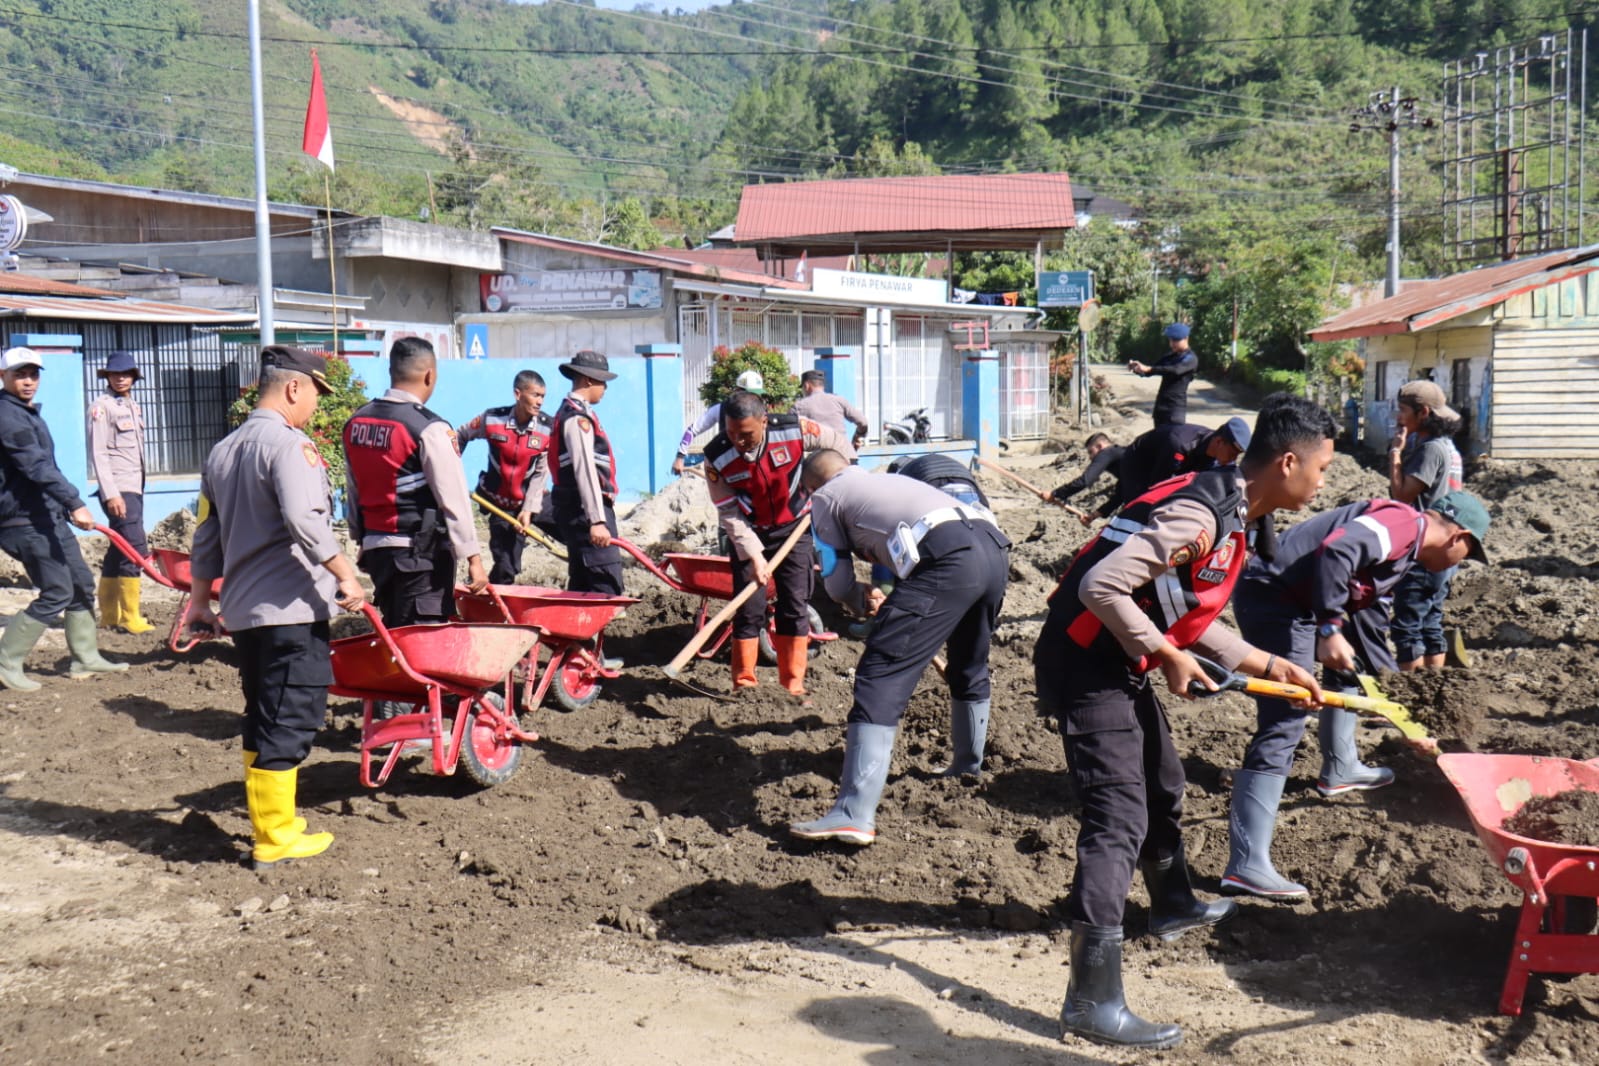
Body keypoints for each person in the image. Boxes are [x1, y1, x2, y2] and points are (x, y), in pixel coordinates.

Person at [1034, 395, 1336, 1050]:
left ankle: (1171, 904)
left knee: (1162, 780)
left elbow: (1180, 606)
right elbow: (1101, 588)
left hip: (1114, 656)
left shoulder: (1229, 509)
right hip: (1084, 660)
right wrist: (1166, 655)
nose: (1322, 484)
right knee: (1117, 816)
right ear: (1287, 463)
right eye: (1321, 469)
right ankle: (1090, 1000)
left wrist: (1266, 662)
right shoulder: (1198, 515)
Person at [1223, 491, 1491, 901]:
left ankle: (1341, 767)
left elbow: (1366, 620)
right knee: (1286, 719)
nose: (1458, 566)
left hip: (1297, 601)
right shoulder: (1405, 525)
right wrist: (1329, 628)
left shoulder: (1404, 553)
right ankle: (1246, 864)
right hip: (1276, 599)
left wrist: (1396, 704)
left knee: (1346, 667)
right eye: (1467, 556)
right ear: (1459, 536)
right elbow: (1337, 550)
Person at [185, 347, 367, 869]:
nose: (314, 405)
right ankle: (276, 835)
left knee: (263, 715)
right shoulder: (291, 448)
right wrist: (345, 574)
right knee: (291, 718)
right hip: (290, 608)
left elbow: (206, 534)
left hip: (245, 612)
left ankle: (273, 822)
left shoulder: (223, 450)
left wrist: (200, 600)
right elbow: (306, 521)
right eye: (314, 393)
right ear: (293, 388)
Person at [790, 450, 1010, 844]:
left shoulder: (825, 497)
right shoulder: (890, 481)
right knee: (968, 664)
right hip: (992, 549)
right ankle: (965, 767)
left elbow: (837, 582)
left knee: (880, 674)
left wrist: (857, 599)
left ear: (811, 485)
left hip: (947, 558)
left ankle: (853, 813)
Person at [703, 390, 851, 695]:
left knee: (795, 606)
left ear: (764, 421)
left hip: (794, 529)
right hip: (749, 532)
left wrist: (840, 483)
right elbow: (728, 511)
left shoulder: (794, 430)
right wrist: (754, 554)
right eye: (731, 432)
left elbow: (837, 443)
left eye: (745, 434)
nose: (737, 441)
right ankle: (743, 684)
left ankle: (792, 684)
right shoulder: (717, 456)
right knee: (749, 608)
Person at [0, 346, 127, 690]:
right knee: (56, 591)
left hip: (46, 515)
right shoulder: (7, 417)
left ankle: (84, 657)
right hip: (23, 521)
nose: (28, 381)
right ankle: (5, 661)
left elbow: (44, 468)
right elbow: (36, 467)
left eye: (34, 374)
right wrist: (74, 502)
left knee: (80, 583)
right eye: (20, 375)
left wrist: (62, 506)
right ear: (3, 377)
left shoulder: (27, 413)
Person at [342, 337, 488, 628]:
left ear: (392, 372)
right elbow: (454, 498)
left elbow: (354, 489)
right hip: (420, 556)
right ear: (429, 375)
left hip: (379, 551)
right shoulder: (429, 428)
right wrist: (473, 558)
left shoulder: (357, 422)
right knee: (422, 637)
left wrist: (362, 539)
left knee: (396, 629)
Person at [1387, 380, 1466, 671]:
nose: (1398, 417)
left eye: (1403, 410)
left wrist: (1395, 453)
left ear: (1423, 413)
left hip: (1424, 547)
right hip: (1446, 547)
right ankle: (1433, 692)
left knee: (1407, 624)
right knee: (1431, 620)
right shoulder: (1450, 449)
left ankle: (1409, 699)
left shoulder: (1431, 450)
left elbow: (1403, 494)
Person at [455, 369, 553, 585]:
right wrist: (451, 470)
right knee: (507, 565)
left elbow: (541, 473)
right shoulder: (491, 419)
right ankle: (491, 602)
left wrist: (528, 509)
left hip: (532, 498)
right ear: (518, 394)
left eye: (543, 396)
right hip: (500, 504)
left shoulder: (548, 428)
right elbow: (459, 436)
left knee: (576, 530)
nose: (540, 402)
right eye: (535, 395)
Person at [88, 350, 154, 634]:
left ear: (134, 377)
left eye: (125, 374)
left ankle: (110, 616)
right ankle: (130, 617)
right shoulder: (102, 407)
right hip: (118, 489)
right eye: (115, 374)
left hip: (133, 487)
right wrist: (110, 493)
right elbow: (98, 453)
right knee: (133, 547)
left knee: (118, 550)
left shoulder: (131, 405)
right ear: (108, 377)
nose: (120, 379)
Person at [550, 349, 625, 596]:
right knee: (606, 582)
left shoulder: (574, 413)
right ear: (588, 380)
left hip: (578, 509)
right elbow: (585, 470)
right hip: (585, 510)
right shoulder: (576, 418)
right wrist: (597, 520)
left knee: (583, 583)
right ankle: (604, 634)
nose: (605, 387)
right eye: (602, 381)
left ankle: (580, 633)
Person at [672, 369, 765, 476]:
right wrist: (680, 457)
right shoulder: (721, 409)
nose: (755, 399)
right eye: (751, 394)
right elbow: (692, 430)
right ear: (738, 391)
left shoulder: (761, 412)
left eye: (757, 395)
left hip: (755, 467)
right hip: (728, 467)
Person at [1128, 323, 1198, 426]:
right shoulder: (1170, 356)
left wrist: (1148, 368)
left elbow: (1175, 370)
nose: (1172, 344)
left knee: (1172, 439)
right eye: (1170, 340)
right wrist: (1138, 369)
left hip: (1175, 409)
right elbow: (1152, 370)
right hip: (1161, 407)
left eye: (1176, 340)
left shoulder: (1190, 358)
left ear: (1186, 338)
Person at [884, 452, 990, 509]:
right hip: (965, 484)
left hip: (934, 486)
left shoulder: (905, 474)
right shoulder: (921, 464)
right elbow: (984, 503)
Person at [1047, 432, 1124, 508]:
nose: (1090, 457)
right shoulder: (1121, 455)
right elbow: (1122, 492)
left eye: (1091, 452)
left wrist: (1056, 494)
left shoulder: (1106, 453)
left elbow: (1085, 481)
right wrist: (1098, 514)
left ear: (1100, 446)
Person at [793, 369, 869, 447]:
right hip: (843, 451)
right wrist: (857, 436)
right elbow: (863, 422)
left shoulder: (799, 406)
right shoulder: (839, 400)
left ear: (806, 386)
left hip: (817, 452)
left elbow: (788, 431)